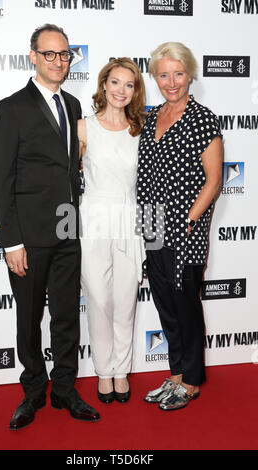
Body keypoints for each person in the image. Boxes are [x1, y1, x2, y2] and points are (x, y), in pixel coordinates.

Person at [0, 24, 100, 430]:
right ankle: (34, 389)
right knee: (29, 317)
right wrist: (11, 241)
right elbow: (2, 180)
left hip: (67, 231)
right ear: (33, 56)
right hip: (28, 238)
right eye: (50, 54)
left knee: (67, 316)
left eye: (65, 54)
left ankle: (65, 390)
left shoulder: (73, 105)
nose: (59, 61)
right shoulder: (12, 107)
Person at [137, 42, 223, 410]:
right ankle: (174, 375)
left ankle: (190, 380)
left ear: (190, 75)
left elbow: (214, 180)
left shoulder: (203, 118)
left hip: (185, 229)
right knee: (165, 303)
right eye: (163, 74)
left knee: (185, 303)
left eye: (178, 73)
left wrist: (189, 221)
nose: (171, 82)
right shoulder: (150, 116)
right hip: (152, 224)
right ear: (155, 77)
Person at [78, 58, 146, 404]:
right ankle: (103, 372)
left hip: (130, 218)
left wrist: (154, 232)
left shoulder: (141, 128)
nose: (121, 90)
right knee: (99, 298)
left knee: (125, 301)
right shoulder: (83, 127)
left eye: (129, 85)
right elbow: (61, 176)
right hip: (93, 218)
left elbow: (150, 184)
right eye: (115, 82)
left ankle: (121, 370)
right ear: (104, 84)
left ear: (135, 91)